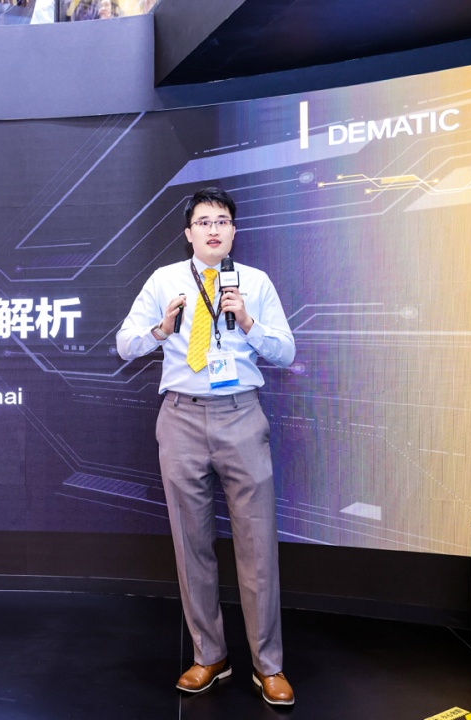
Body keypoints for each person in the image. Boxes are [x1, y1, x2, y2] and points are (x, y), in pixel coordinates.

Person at [116, 187, 297, 706]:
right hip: (181, 418)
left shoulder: (255, 283)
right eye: (204, 221)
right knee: (191, 544)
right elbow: (124, 345)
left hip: (240, 416)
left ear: (234, 231)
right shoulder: (164, 281)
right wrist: (161, 329)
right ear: (188, 233)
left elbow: (286, 352)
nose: (214, 229)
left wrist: (249, 323)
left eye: (222, 221)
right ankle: (209, 655)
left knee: (257, 546)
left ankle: (269, 666)